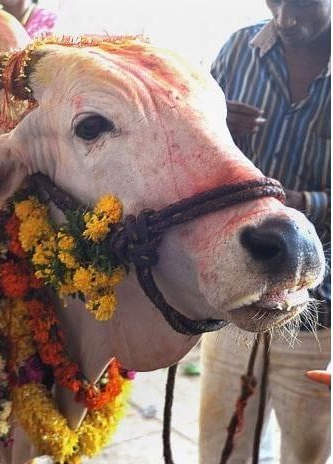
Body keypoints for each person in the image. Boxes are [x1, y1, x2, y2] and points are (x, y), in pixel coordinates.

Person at [199, 1, 330, 463]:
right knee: (225, 443)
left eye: (301, 4)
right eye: (276, 2)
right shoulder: (239, 49)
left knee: (308, 449)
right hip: (237, 291)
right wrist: (217, 127)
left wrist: (302, 204)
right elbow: (189, 151)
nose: (286, 19)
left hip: (319, 307)